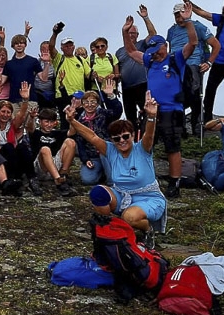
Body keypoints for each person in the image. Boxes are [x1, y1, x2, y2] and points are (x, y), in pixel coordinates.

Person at [66, 92, 165, 234]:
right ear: (112, 140)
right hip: (121, 195)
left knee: (129, 217)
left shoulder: (142, 148)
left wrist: (151, 116)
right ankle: (109, 229)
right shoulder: (111, 150)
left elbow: (149, 135)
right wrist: (72, 120)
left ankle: (148, 230)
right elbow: (92, 137)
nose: (122, 141)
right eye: (117, 138)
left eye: (125, 136)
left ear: (132, 136)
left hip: (148, 198)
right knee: (98, 193)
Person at [123, 14, 197, 197]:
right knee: (145, 146)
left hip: (172, 111)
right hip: (151, 111)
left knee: (172, 147)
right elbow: (131, 51)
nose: (155, 53)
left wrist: (188, 22)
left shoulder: (175, 59)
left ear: (165, 46)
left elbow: (193, 43)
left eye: (158, 49)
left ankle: (174, 182)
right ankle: (143, 180)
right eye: (152, 50)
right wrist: (125, 32)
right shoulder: (149, 61)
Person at [145, 3, 219, 136]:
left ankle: (197, 127)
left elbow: (216, 45)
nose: (179, 19)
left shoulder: (197, 26)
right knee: (178, 95)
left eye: (181, 15)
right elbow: (168, 48)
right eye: (176, 16)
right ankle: (181, 128)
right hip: (175, 66)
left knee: (194, 94)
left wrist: (208, 62)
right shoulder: (172, 30)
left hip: (192, 64)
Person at [29, 107, 77, 196]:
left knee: (70, 142)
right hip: (41, 167)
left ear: (55, 123)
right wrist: (32, 117)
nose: (49, 124)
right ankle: (58, 181)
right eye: (46, 122)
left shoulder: (57, 133)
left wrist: (71, 119)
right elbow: (30, 128)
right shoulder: (36, 133)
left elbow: (72, 132)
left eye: (51, 122)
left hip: (55, 163)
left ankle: (63, 174)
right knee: (45, 149)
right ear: (40, 122)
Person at [47, 23, 90, 116]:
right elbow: (51, 47)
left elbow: (88, 75)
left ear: (74, 46)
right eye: (66, 46)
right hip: (63, 95)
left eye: (71, 45)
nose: (69, 47)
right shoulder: (59, 58)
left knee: (80, 121)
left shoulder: (80, 59)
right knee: (65, 121)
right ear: (61, 48)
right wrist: (55, 34)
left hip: (79, 95)